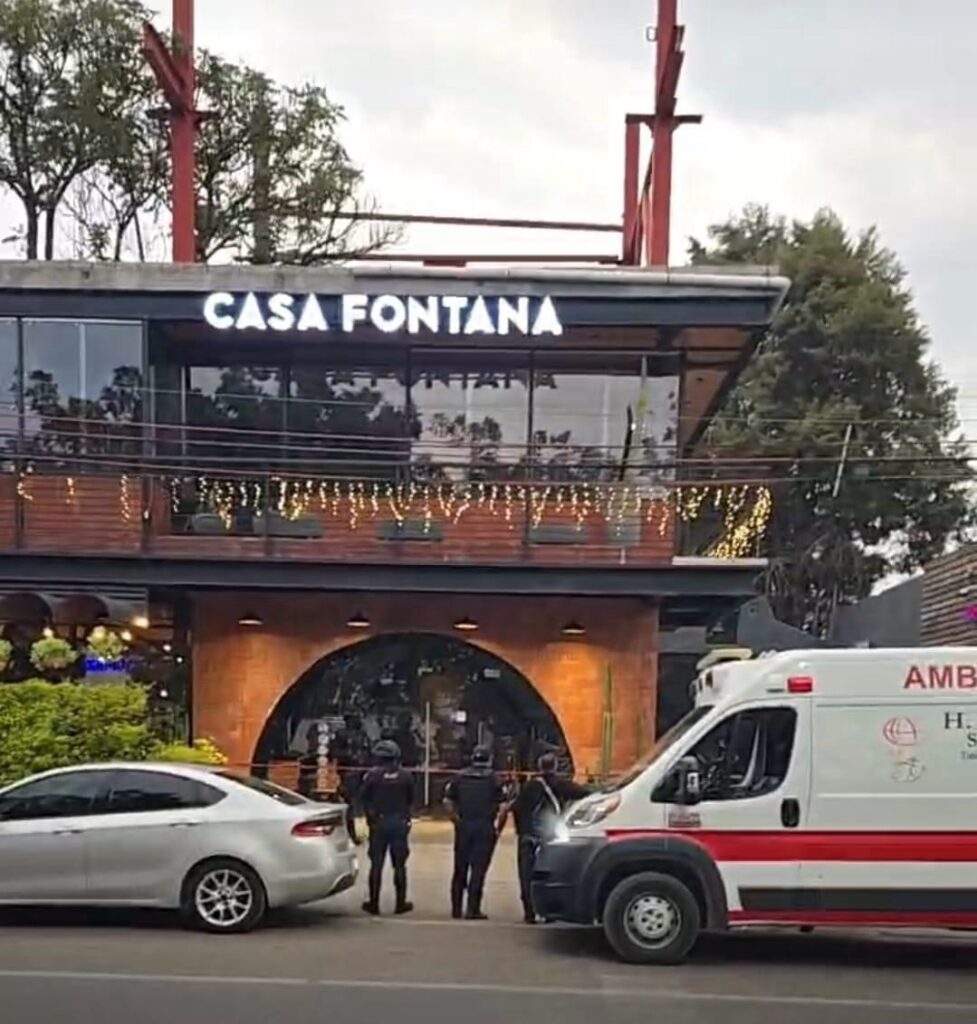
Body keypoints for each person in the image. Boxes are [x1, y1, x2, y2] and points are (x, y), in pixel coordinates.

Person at [509, 753, 590, 924]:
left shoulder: (530, 786)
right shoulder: (561, 784)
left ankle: (529, 913)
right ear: (555, 767)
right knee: (548, 875)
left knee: (526, 875)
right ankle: (548, 913)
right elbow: (583, 793)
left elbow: (516, 808)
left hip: (528, 836)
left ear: (539, 767)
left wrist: (522, 830)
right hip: (550, 838)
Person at [442, 745, 506, 920]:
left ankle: (456, 908)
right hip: (484, 826)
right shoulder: (494, 779)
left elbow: (447, 801)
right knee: (478, 869)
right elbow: (503, 807)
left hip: (464, 826)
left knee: (460, 868)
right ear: (489, 759)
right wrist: (497, 829)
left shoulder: (459, 777)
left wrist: (456, 820)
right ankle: (472, 909)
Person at [358, 739, 415, 916]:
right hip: (399, 822)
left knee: (376, 865)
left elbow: (363, 797)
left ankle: (374, 903)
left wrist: (370, 817)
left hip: (378, 823)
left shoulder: (372, 775)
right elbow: (411, 798)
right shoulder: (406, 775)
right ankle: (400, 903)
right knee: (399, 865)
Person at [328, 713, 370, 843]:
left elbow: (368, 750)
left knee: (362, 802)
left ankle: (361, 831)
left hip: (362, 771)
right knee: (351, 802)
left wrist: (366, 762)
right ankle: (352, 832)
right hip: (349, 772)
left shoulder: (362, 734)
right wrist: (350, 755)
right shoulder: (341, 734)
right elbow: (334, 752)